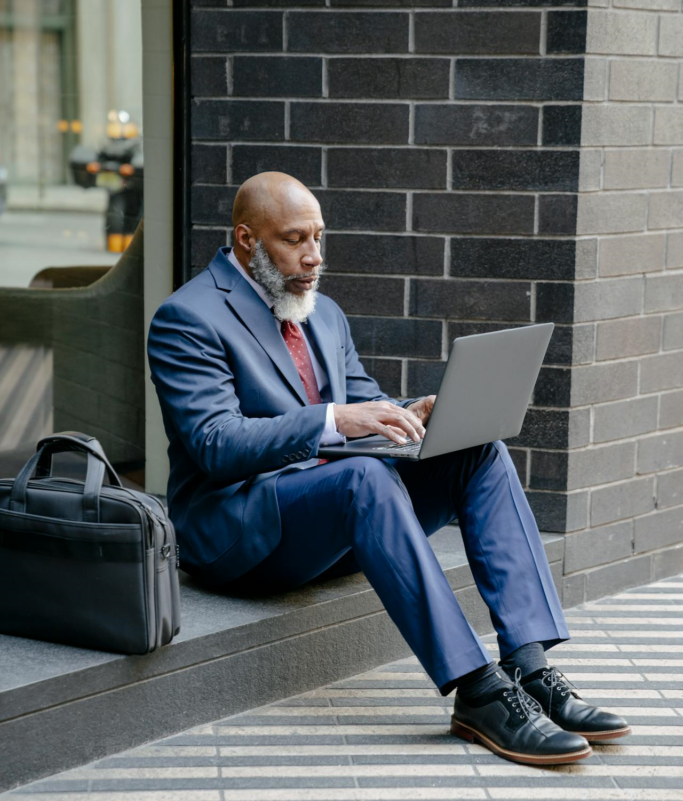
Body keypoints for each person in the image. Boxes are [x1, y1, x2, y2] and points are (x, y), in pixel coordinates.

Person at [147, 171, 630, 766]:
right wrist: (335, 420)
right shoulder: (187, 319)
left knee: (478, 450)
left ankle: (529, 666)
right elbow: (215, 444)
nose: (314, 256)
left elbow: (359, 402)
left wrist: (409, 412)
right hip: (239, 531)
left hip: (333, 515)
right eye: (295, 240)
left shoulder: (323, 314)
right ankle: (478, 693)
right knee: (364, 478)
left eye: (320, 237)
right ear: (247, 240)